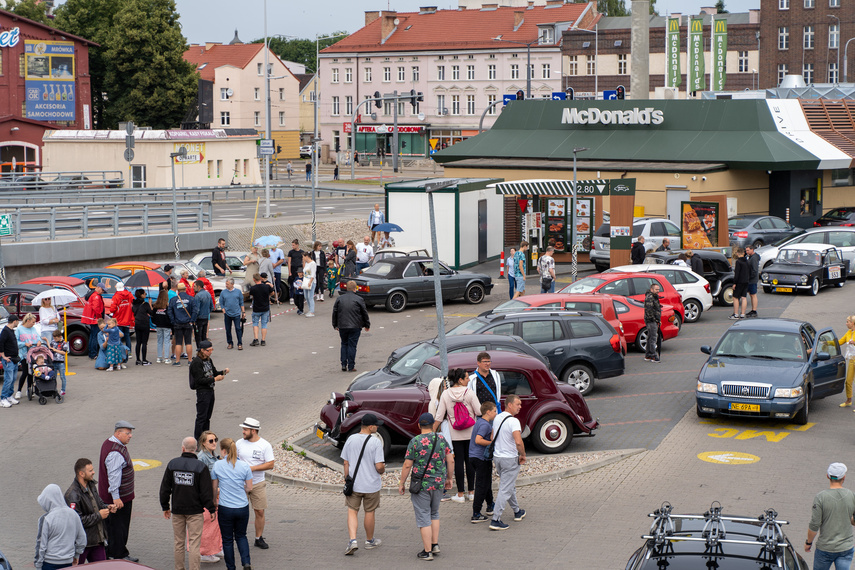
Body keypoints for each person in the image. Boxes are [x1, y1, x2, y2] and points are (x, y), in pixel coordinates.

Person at [398, 413, 453, 561]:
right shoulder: (441, 439)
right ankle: (434, 544)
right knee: (434, 513)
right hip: (438, 483)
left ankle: (427, 551)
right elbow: (450, 459)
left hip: (421, 485)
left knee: (423, 516)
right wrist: (449, 478)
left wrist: (402, 482)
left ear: (419, 425)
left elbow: (407, 464)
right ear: (433, 424)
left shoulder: (415, 441)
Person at [160, 436, 217, 570]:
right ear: (196, 449)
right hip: (195, 512)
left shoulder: (172, 464)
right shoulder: (200, 467)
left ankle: (179, 568)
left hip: (178, 510)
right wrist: (211, 509)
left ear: (183, 448)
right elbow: (206, 492)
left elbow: (165, 488)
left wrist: (165, 506)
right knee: (194, 544)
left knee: (179, 543)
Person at [433, 368, 480, 503]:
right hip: (471, 432)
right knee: (470, 462)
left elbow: (439, 416)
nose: (469, 379)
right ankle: (471, 493)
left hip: (455, 434)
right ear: (460, 380)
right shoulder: (469, 393)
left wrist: (431, 433)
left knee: (458, 462)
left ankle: (460, 494)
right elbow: (478, 411)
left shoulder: (446, 394)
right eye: (466, 378)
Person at [341, 413, 386, 555]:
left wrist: (347, 477)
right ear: (371, 427)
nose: (378, 427)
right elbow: (379, 466)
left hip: (354, 483)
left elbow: (346, 462)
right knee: (369, 511)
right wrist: (383, 470)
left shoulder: (351, 439)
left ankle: (353, 540)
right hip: (371, 485)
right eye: (376, 425)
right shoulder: (376, 442)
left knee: (352, 511)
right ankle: (369, 540)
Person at [99, 421, 138, 562]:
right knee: (119, 527)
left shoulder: (109, 443)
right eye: (127, 433)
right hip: (119, 499)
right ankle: (120, 554)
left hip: (112, 497)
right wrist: (116, 497)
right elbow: (114, 476)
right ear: (118, 433)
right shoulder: (115, 452)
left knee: (112, 526)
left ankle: (110, 551)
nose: (130, 436)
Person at [211, 438, 253, 570]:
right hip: (242, 507)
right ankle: (246, 562)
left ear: (223, 451)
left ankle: (231, 567)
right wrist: (242, 490)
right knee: (241, 535)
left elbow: (214, 487)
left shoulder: (218, 465)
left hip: (225, 507)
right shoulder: (245, 466)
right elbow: (250, 488)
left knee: (227, 540)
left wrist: (214, 502)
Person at [806, 462, 855, 570]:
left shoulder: (820, 497)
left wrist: (808, 542)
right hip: (845, 548)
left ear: (827, 476)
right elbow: (854, 521)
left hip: (825, 548)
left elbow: (815, 524)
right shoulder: (852, 495)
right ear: (844, 477)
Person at [235, 418, 275, 551]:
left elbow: (270, 464)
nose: (243, 432)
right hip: (241, 484)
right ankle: (239, 536)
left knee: (259, 511)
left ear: (253, 431)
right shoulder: (239, 443)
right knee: (239, 512)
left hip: (258, 483)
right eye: (243, 429)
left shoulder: (265, 445)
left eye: (245, 430)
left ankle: (259, 538)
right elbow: (232, 459)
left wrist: (252, 468)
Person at [489, 395, 526, 531]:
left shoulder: (497, 417)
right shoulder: (514, 421)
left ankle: (517, 511)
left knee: (509, 485)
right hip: (510, 458)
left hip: (497, 457)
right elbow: (518, 441)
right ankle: (496, 519)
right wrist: (522, 454)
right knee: (505, 489)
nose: (520, 407)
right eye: (518, 404)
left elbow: (492, 437)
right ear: (509, 405)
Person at [65, 458, 112, 564]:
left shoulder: (91, 485)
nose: (94, 472)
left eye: (93, 469)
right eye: (90, 471)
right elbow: (77, 521)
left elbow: (99, 504)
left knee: (102, 567)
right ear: (81, 473)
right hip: (82, 545)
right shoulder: (73, 495)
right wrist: (99, 516)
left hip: (97, 541)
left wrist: (107, 507)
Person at [34, 483, 86, 570]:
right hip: (68, 562)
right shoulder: (74, 514)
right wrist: (77, 555)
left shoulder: (45, 519)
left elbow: (41, 546)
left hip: (49, 563)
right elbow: (82, 539)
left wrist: (38, 565)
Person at [192, 340, 229, 441]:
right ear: (202, 350)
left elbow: (214, 372)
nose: (211, 352)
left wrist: (223, 372)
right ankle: (198, 440)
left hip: (210, 390)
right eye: (209, 350)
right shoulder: (196, 362)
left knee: (207, 417)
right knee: (201, 417)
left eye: (212, 349)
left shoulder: (208, 359)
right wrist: (215, 379)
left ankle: (206, 438)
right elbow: (199, 380)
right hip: (203, 392)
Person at [195, 432, 223, 563]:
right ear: (203, 443)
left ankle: (215, 548)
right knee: (207, 524)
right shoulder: (202, 458)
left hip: (216, 494)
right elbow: (202, 480)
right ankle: (204, 553)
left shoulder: (215, 456)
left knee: (216, 524)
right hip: (208, 496)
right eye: (210, 441)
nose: (214, 443)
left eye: (215, 440)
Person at [332, 281, 370, 372]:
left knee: (344, 344)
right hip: (355, 326)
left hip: (342, 325)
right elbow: (364, 312)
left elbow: (335, 312)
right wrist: (367, 324)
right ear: (355, 289)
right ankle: (351, 365)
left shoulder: (340, 299)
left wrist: (335, 325)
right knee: (352, 345)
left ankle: (343, 364)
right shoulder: (359, 299)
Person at [469, 401, 497, 523]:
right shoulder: (485, 425)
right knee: (481, 485)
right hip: (481, 458)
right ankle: (476, 513)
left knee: (486, 482)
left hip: (474, 457)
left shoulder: (479, 422)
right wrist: (492, 444)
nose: (496, 413)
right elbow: (478, 440)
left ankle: (490, 505)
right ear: (488, 412)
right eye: (495, 411)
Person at [168, 283, 198, 366]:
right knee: (188, 342)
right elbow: (195, 310)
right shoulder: (191, 299)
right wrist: (192, 320)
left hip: (177, 323)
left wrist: (173, 321)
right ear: (185, 289)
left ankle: (177, 361)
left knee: (178, 342)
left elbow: (170, 312)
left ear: (178, 290)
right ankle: (190, 360)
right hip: (188, 323)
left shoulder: (173, 300)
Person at [15, 313, 42, 397]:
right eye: (33, 322)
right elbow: (16, 342)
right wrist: (24, 344)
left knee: (31, 372)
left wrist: (39, 341)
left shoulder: (33, 329)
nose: (34, 324)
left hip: (33, 354)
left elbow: (38, 337)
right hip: (24, 354)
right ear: (28, 320)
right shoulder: (19, 329)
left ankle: (29, 389)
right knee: (25, 372)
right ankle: (19, 391)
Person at [109, 282, 134, 357]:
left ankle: (119, 352)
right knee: (127, 336)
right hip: (127, 319)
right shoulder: (129, 295)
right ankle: (129, 353)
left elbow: (112, 309)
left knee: (118, 337)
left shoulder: (116, 296)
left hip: (118, 320)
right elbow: (133, 303)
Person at [248, 274, 274, 346]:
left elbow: (251, 295)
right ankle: (263, 340)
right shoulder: (266, 287)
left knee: (255, 323)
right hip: (265, 308)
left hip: (256, 308)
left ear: (254, 279)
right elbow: (272, 293)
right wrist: (268, 295)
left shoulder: (253, 288)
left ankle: (256, 339)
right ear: (260, 279)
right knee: (264, 324)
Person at [0, 315, 20, 408]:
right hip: (9, 360)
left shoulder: (11, 331)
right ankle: (3, 398)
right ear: (14, 321)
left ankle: (9, 396)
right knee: (8, 379)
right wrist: (3, 356)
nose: (18, 323)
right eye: (17, 321)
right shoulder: (5, 331)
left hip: (14, 358)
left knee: (13, 379)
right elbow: (1, 343)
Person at [82, 283, 106, 360]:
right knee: (95, 336)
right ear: (98, 288)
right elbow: (96, 308)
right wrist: (100, 317)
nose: (103, 292)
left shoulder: (92, 295)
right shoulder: (96, 296)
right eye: (102, 290)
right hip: (95, 319)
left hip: (92, 318)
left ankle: (92, 353)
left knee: (92, 336)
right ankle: (93, 353)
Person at [220, 279, 245, 350]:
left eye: (227, 284)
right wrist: (223, 310)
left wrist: (243, 312)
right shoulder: (223, 292)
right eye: (226, 284)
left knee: (238, 328)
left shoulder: (238, 292)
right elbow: (221, 302)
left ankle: (240, 343)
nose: (226, 285)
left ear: (232, 284)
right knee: (228, 329)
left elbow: (241, 302)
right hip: (227, 314)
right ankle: (230, 343)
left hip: (236, 313)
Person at [132, 289, 153, 366]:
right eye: (144, 294)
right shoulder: (145, 304)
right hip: (144, 324)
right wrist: (150, 304)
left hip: (137, 323)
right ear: (141, 295)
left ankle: (138, 359)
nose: (146, 295)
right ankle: (144, 359)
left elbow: (133, 311)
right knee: (144, 342)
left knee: (138, 342)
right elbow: (151, 312)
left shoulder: (134, 303)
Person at [152, 290, 173, 364]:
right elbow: (170, 316)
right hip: (166, 326)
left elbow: (153, 316)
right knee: (167, 341)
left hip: (158, 325)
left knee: (159, 341)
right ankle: (166, 358)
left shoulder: (155, 306)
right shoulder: (167, 306)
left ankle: (159, 357)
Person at [644, 283, 662, 363]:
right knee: (653, 338)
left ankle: (648, 355)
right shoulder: (650, 297)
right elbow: (649, 311)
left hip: (653, 320)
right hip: (651, 321)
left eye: (658, 289)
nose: (658, 291)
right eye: (656, 289)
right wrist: (655, 320)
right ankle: (653, 355)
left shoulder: (654, 297)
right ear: (652, 289)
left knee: (650, 337)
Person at [839, 316, 855, 408]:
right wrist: (827, 342)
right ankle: (848, 400)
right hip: (852, 359)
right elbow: (840, 342)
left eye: (847, 322)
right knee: (848, 381)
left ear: (852, 323)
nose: (846, 323)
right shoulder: (848, 333)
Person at [731, 247, 749, 320]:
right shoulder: (747, 261)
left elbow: (737, 273)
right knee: (744, 297)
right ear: (744, 253)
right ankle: (742, 314)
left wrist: (735, 283)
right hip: (746, 281)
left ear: (738, 253)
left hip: (739, 282)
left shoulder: (738, 262)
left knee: (735, 298)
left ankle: (736, 314)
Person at [193, 281, 213, 349]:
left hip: (199, 319)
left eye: (194, 286)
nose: (193, 287)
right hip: (206, 317)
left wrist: (194, 319)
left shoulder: (198, 296)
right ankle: (205, 350)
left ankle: (200, 351)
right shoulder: (208, 294)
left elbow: (197, 309)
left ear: (199, 287)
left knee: (198, 336)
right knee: (204, 336)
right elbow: (211, 307)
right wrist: (207, 313)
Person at [49, 330, 68, 397]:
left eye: (56, 338)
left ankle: (63, 390)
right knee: (53, 377)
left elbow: (64, 352)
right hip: (54, 362)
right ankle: (54, 389)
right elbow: (50, 349)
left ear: (60, 337)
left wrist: (55, 350)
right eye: (54, 338)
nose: (55, 339)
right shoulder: (53, 342)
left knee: (62, 377)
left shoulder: (64, 343)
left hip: (61, 363)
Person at [745, 244, 760, 317]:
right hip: (751, 279)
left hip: (752, 279)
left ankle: (754, 310)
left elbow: (754, 270)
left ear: (752, 249)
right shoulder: (751, 257)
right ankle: (753, 309)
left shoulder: (753, 258)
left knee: (753, 295)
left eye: (748, 250)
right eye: (746, 250)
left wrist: (750, 277)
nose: (747, 252)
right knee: (751, 294)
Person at [302, 252, 317, 318]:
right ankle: (309, 309)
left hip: (311, 281)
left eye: (303, 257)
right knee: (306, 296)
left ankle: (312, 311)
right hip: (305, 280)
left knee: (310, 296)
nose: (302, 258)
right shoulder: (306, 263)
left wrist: (310, 281)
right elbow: (305, 272)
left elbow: (313, 274)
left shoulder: (313, 263)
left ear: (306, 256)